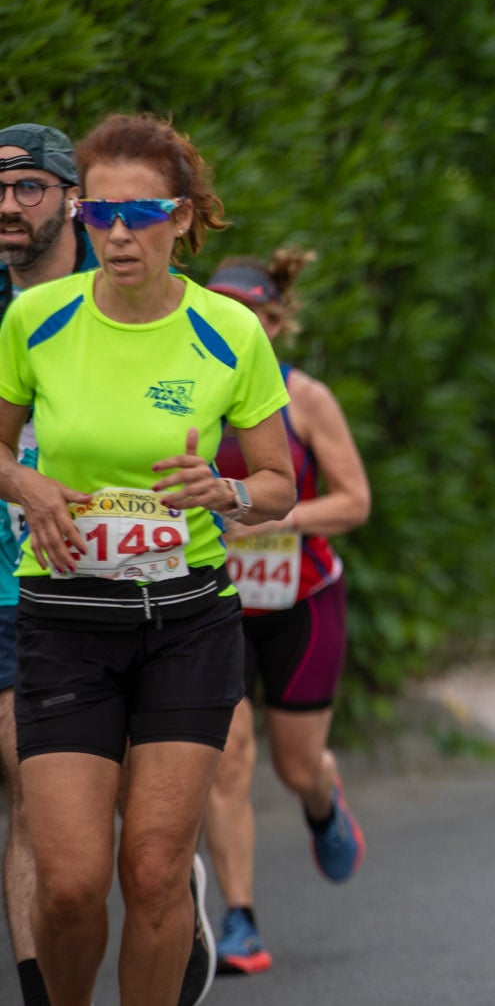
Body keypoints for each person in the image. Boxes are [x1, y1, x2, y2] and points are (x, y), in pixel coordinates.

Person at [0, 114, 296, 1006]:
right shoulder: (34, 318)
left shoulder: (228, 333)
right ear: (83, 216)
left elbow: (279, 482)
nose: (119, 234)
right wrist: (27, 488)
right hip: (65, 623)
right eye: (100, 214)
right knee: (70, 880)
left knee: (158, 868)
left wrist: (227, 492)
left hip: (186, 623)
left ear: (183, 215)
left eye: (142, 212)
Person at [198, 251, 370, 976]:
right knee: (228, 756)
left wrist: (270, 517)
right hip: (214, 602)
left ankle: (321, 797)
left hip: (300, 598)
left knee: (295, 763)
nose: (237, 326)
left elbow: (354, 500)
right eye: (220, 311)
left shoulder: (306, 399)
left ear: (275, 321)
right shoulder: (185, 392)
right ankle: (239, 917)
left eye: (250, 315)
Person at [0, 125, 100, 1006]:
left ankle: (166, 884)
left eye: (29, 187)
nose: (7, 205)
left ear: (73, 196)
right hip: (10, 588)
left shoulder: (126, 292)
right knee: (29, 796)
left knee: (127, 822)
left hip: (125, 584)